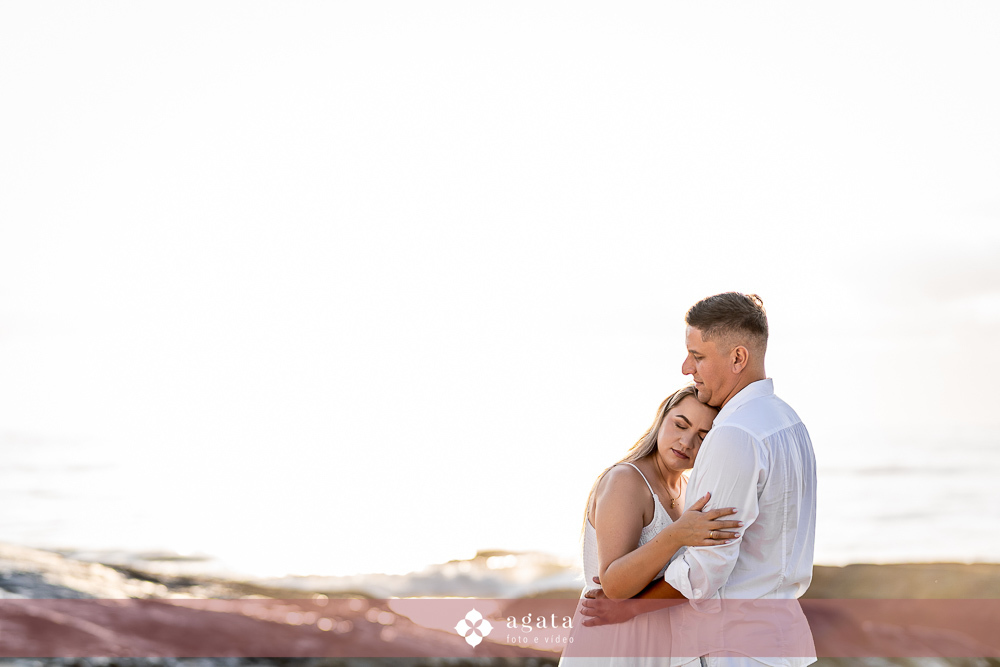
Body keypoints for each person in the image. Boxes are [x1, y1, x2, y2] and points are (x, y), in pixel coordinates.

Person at [581, 293, 818, 667]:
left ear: (738, 357)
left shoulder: (736, 433)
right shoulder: (789, 423)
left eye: (699, 356)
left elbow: (706, 568)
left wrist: (627, 611)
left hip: (737, 649)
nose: (686, 367)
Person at [559, 385, 743, 666]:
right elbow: (614, 586)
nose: (686, 442)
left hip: (666, 641)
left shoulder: (691, 490)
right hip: (617, 640)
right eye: (680, 425)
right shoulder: (626, 480)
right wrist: (677, 534)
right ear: (662, 417)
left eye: (702, 437)